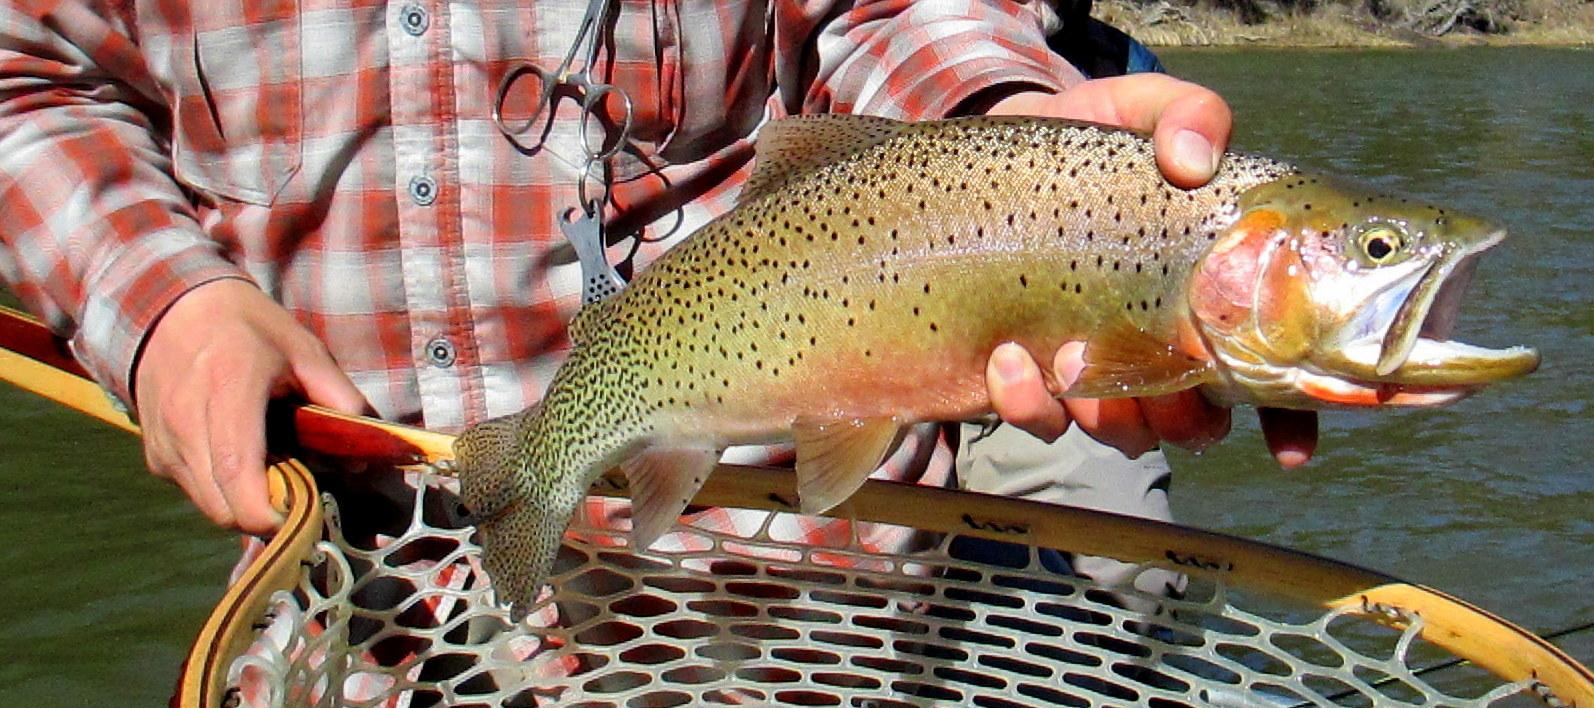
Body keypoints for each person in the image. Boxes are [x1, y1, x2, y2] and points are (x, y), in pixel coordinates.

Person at [0, 0, 1316, 557]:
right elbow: (28, 78)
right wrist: (160, 302)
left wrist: (1013, 136)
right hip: (353, 606)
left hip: (763, 627)